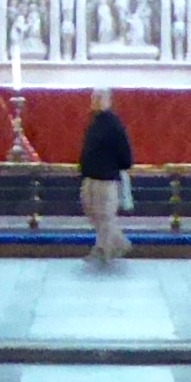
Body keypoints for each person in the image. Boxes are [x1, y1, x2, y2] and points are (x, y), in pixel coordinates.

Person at [76, 100, 135, 266]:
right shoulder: (94, 123)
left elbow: (125, 155)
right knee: (94, 214)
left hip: (106, 179)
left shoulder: (114, 125)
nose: (94, 101)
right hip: (90, 177)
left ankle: (103, 250)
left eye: (98, 98)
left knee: (105, 216)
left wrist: (115, 167)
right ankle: (121, 244)